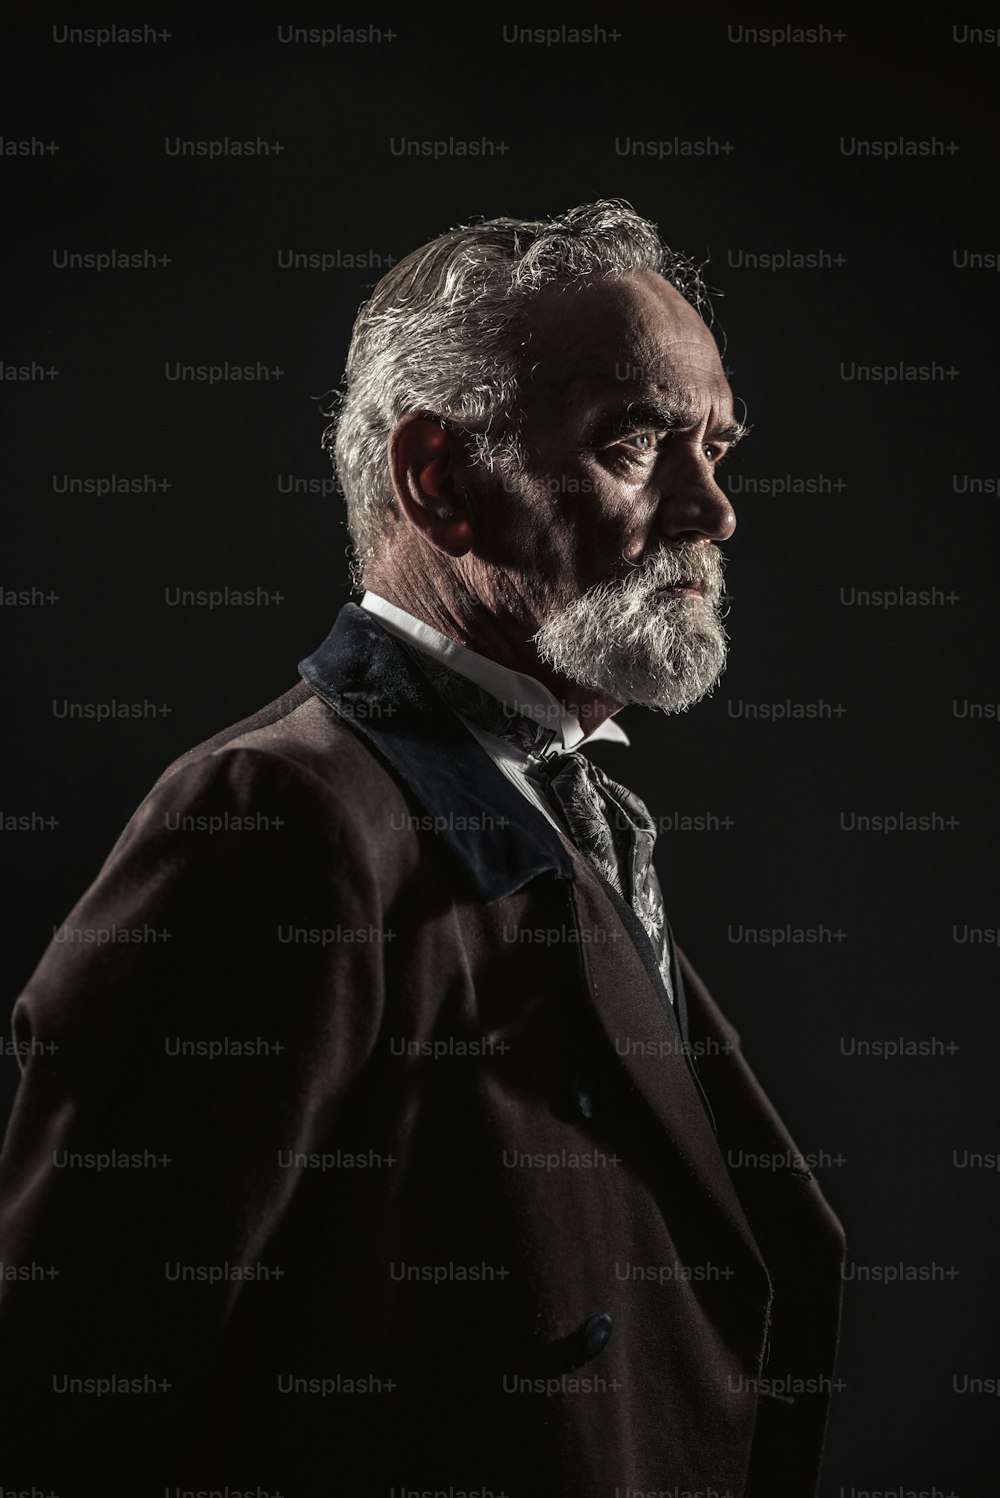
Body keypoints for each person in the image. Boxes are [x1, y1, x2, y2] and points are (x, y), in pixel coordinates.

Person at [0, 201, 845, 1496]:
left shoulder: (562, 793)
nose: (713, 510)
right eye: (638, 441)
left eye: (719, 447)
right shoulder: (272, 822)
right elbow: (73, 1402)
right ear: (437, 480)